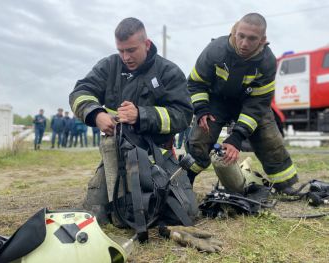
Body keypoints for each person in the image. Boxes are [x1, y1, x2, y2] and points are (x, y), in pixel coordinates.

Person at [69, 17, 193, 223]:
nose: (125, 57)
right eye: (121, 50)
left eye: (131, 50)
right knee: (95, 216)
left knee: (184, 211)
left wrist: (141, 115)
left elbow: (183, 115)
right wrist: (96, 114)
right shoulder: (109, 66)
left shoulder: (168, 72)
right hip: (117, 156)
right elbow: (80, 93)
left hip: (157, 156)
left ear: (146, 44)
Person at [185, 13, 298, 194]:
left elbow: (259, 103)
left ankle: (285, 185)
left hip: (248, 103)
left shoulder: (267, 62)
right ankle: (184, 182)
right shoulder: (215, 50)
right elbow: (195, 83)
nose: (244, 43)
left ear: (263, 40)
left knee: (270, 138)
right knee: (200, 138)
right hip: (216, 102)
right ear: (234, 31)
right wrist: (201, 108)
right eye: (241, 36)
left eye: (252, 38)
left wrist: (236, 137)